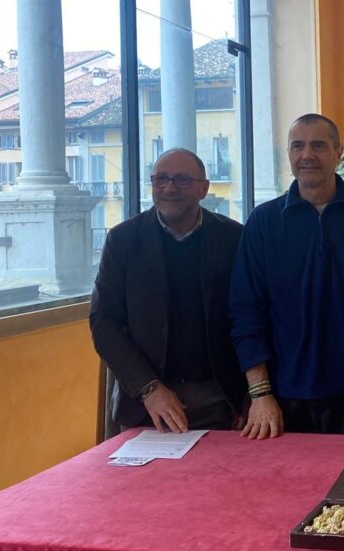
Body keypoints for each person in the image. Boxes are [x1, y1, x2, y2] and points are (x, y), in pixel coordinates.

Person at [229, 113, 344, 438]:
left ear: (338, 153)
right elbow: (246, 311)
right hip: (284, 394)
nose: (307, 155)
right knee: (285, 473)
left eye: (319, 146)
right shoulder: (264, 222)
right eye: (298, 146)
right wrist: (260, 393)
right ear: (289, 154)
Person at [90, 148, 246, 432]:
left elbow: (249, 316)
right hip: (145, 403)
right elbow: (104, 323)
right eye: (160, 179)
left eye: (182, 180)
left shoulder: (233, 238)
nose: (169, 188)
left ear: (203, 188)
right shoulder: (123, 241)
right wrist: (149, 388)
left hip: (221, 401)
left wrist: (249, 396)